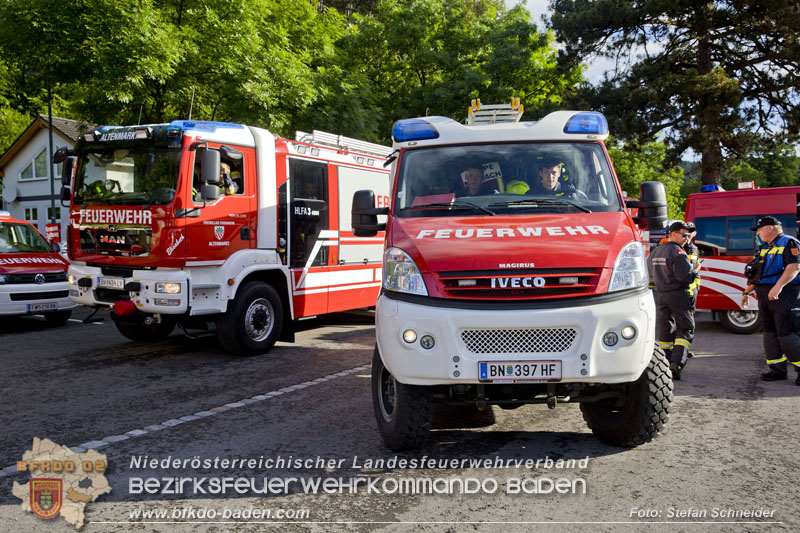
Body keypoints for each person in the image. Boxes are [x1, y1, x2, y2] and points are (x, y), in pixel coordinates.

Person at [741, 216, 800, 384]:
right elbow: (758, 274)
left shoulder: (789, 243)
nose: (757, 233)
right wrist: (746, 293)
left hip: (784, 295)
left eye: (759, 230)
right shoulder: (765, 248)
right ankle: (777, 369)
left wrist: (778, 287)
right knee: (769, 335)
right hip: (765, 295)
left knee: (787, 334)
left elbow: (795, 266)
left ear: (770, 228)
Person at [647, 220, 701, 380]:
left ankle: (663, 363)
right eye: (684, 235)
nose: (687, 238)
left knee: (666, 330)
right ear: (674, 234)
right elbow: (685, 278)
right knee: (685, 329)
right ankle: (676, 364)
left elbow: (649, 275)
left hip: (660, 295)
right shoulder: (677, 253)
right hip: (679, 295)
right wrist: (695, 271)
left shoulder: (656, 251)